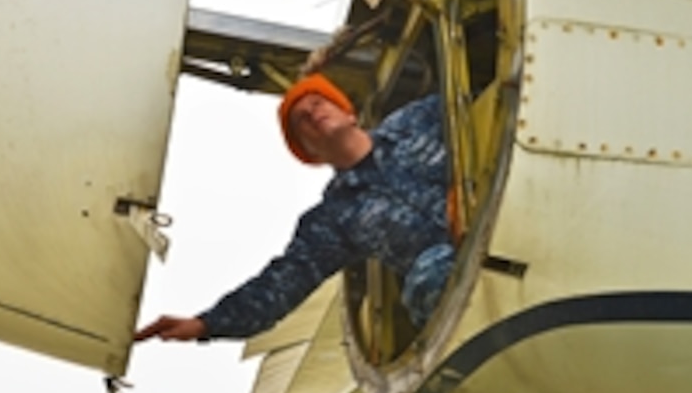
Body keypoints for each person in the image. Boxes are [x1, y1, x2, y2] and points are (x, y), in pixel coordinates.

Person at [135, 73, 455, 343]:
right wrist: (206, 324)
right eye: (302, 121)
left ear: (349, 114)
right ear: (309, 153)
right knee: (426, 280)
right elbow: (282, 283)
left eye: (318, 103)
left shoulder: (418, 119)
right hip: (454, 272)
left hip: (501, 224)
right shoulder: (333, 218)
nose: (313, 114)